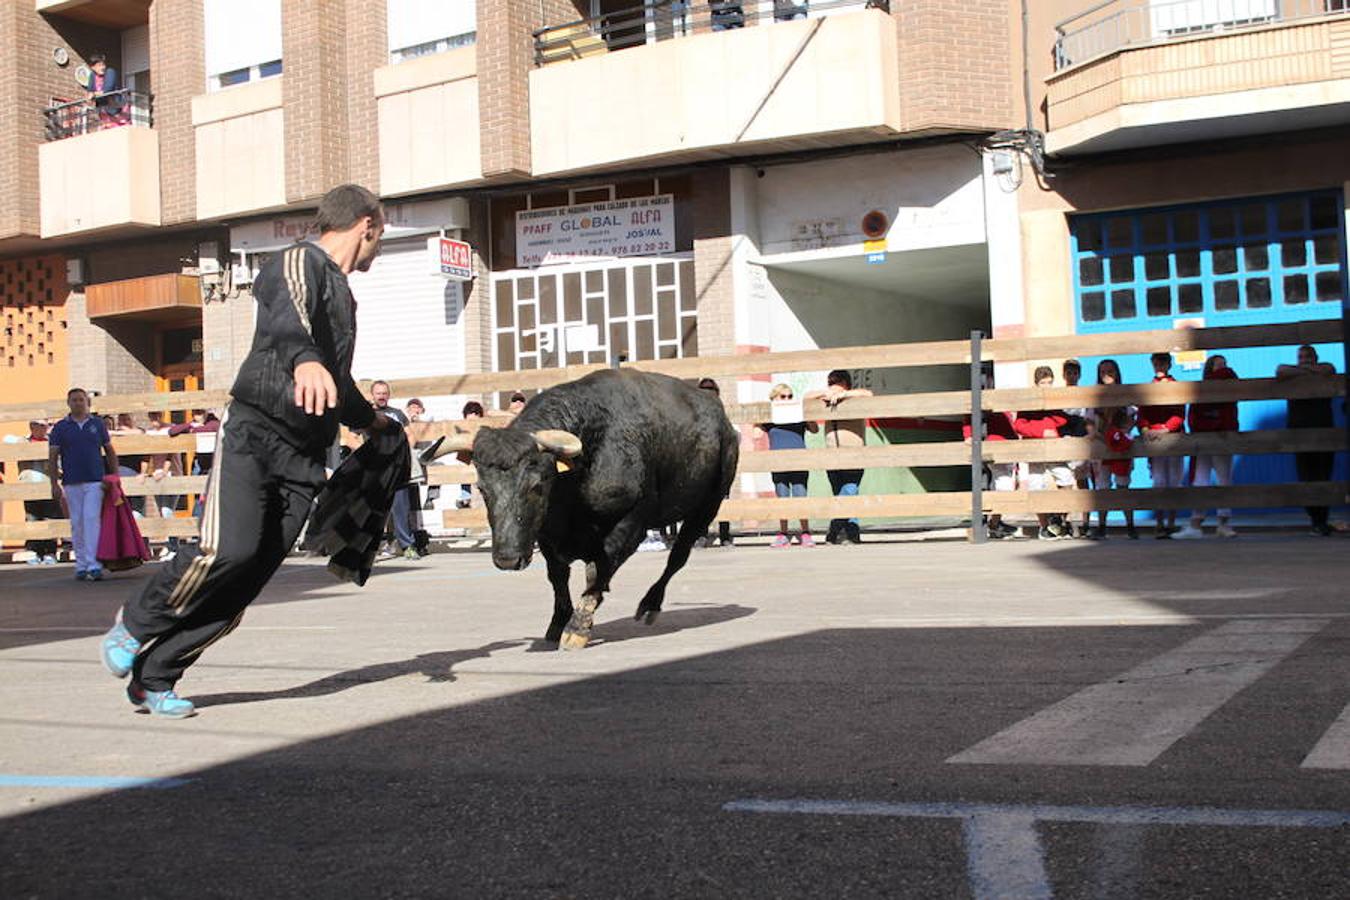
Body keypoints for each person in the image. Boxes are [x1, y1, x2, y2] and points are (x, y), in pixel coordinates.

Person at [101, 183, 392, 719]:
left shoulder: (344, 295)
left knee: (244, 583)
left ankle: (155, 677)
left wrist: (372, 421)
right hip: (256, 434)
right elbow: (289, 318)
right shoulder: (297, 262)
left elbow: (336, 380)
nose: (378, 247)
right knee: (224, 552)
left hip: (303, 457)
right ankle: (135, 623)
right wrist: (305, 359)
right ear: (367, 225)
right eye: (380, 236)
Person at [48, 388, 118, 580]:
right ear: (68, 403)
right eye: (74, 400)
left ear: (87, 402)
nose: (78, 403)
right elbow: (53, 457)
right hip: (71, 482)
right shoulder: (61, 427)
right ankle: (81, 565)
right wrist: (54, 483)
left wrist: (115, 476)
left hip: (95, 480)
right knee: (77, 523)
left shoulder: (97, 424)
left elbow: (109, 450)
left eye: (81, 400)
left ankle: (94, 564)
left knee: (91, 519)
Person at [1176, 355, 1240, 539]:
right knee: (1202, 479)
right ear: (1210, 368)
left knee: (1223, 479)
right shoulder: (1203, 389)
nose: (1223, 368)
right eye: (1218, 365)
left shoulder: (1230, 385)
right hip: (1206, 438)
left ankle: (1221, 523)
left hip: (1221, 437)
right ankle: (1197, 523)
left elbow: (1227, 414)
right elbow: (1194, 415)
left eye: (1224, 365)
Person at [806, 369, 873, 544]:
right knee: (840, 495)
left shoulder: (855, 398)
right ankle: (852, 532)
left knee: (849, 492)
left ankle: (835, 530)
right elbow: (806, 398)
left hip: (854, 455)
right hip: (831, 456)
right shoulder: (826, 400)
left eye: (837, 382)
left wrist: (845, 394)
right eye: (830, 382)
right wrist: (825, 393)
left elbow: (868, 394)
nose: (833, 386)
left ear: (846, 384)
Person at [1277, 345, 1338, 536]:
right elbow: (1280, 369)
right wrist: (1306, 370)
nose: (1304, 359)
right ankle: (1316, 520)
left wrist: (1305, 370)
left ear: (1315, 357)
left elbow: (1329, 368)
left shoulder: (1323, 370)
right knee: (1306, 477)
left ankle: (1321, 521)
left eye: (1308, 356)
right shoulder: (1292, 374)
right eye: (1301, 356)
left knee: (1323, 475)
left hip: (1323, 432)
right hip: (1299, 434)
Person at [1014, 367, 1073, 541]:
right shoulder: (1029, 400)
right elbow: (1020, 424)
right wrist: (1042, 430)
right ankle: (1044, 526)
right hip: (1035, 447)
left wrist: (1052, 428)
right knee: (1036, 483)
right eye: (1043, 383)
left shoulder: (1055, 399)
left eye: (1049, 382)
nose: (1046, 386)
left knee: (1066, 479)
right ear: (1036, 383)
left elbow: (1063, 418)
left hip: (1054, 447)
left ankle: (1059, 519)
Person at [758, 383, 818, 547]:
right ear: (774, 398)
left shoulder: (797, 413)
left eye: (790, 396)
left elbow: (815, 429)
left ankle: (805, 532)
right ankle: (783, 534)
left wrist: (806, 414)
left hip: (799, 461)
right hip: (778, 462)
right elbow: (756, 432)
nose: (787, 399)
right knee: (782, 498)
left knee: (800, 496)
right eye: (783, 396)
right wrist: (763, 414)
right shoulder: (771, 418)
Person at [963, 369, 1019, 540]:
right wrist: (968, 436)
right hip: (993, 446)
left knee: (999, 485)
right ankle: (993, 524)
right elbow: (969, 419)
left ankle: (995, 522)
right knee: (1002, 485)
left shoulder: (999, 406)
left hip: (1004, 447)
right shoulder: (980, 403)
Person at [1136, 352, 1186, 539]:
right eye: (1156, 362)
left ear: (1168, 364)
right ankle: (1159, 524)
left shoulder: (1176, 386)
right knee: (1159, 481)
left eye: (1163, 362)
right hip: (1155, 439)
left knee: (1174, 481)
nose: (1159, 365)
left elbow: (1180, 413)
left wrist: (1166, 428)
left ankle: (1171, 523)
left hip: (1172, 438)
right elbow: (1142, 414)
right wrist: (1145, 429)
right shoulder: (1148, 388)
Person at [370, 380, 418, 560]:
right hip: (374, 469)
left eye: (384, 393)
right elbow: (352, 437)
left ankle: (408, 546)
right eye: (378, 393)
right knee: (372, 510)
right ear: (372, 395)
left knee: (401, 508)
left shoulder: (397, 414)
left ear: (388, 395)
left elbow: (410, 435)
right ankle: (369, 549)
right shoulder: (366, 414)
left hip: (396, 468)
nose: (382, 396)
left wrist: (406, 452)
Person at [1091, 359, 1138, 540]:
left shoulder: (1125, 394)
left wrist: (1124, 431)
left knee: (1123, 484)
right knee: (1102, 486)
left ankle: (1130, 526)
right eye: (1103, 371)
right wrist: (1095, 434)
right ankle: (1102, 526)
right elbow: (1090, 419)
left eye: (1110, 371)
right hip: (1102, 444)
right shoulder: (1096, 396)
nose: (1107, 375)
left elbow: (1132, 416)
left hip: (1120, 445)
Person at [696, 377, 734, 548]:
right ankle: (701, 535)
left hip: (721, 465)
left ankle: (725, 536)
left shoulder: (724, 415)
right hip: (702, 466)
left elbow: (736, 437)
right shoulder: (695, 415)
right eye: (704, 391)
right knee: (701, 501)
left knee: (723, 500)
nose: (708, 394)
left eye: (711, 391)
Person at [1060, 359, 1094, 539]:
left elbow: (1088, 417)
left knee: (1082, 481)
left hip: (1080, 439)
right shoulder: (1059, 395)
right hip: (1065, 439)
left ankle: (1085, 523)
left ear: (1079, 375)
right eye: (1068, 373)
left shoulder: (1084, 394)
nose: (1071, 376)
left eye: (1074, 373)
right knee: (1065, 483)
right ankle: (1065, 522)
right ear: (1063, 375)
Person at [22, 419, 60, 565]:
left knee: (50, 517)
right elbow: (8, 440)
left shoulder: (52, 441)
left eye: (47, 425)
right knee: (32, 518)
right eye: (42, 425)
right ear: (32, 426)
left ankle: (50, 551)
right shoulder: (24, 441)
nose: (45, 428)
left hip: (48, 484)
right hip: (28, 485)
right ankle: (34, 550)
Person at [457, 400, 485, 509]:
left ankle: (466, 497)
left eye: (476, 413)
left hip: (482, 461)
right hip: (467, 462)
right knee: (464, 463)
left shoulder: (484, 429)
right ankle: (465, 497)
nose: (473, 416)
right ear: (465, 415)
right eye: (470, 413)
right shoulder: (462, 429)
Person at [86, 53, 126, 128]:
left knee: (118, 129)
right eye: (99, 65)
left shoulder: (110, 72)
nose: (102, 67)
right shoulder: (92, 76)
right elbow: (89, 91)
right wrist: (90, 96)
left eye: (103, 65)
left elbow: (108, 90)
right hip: (103, 110)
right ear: (93, 67)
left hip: (115, 109)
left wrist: (94, 94)